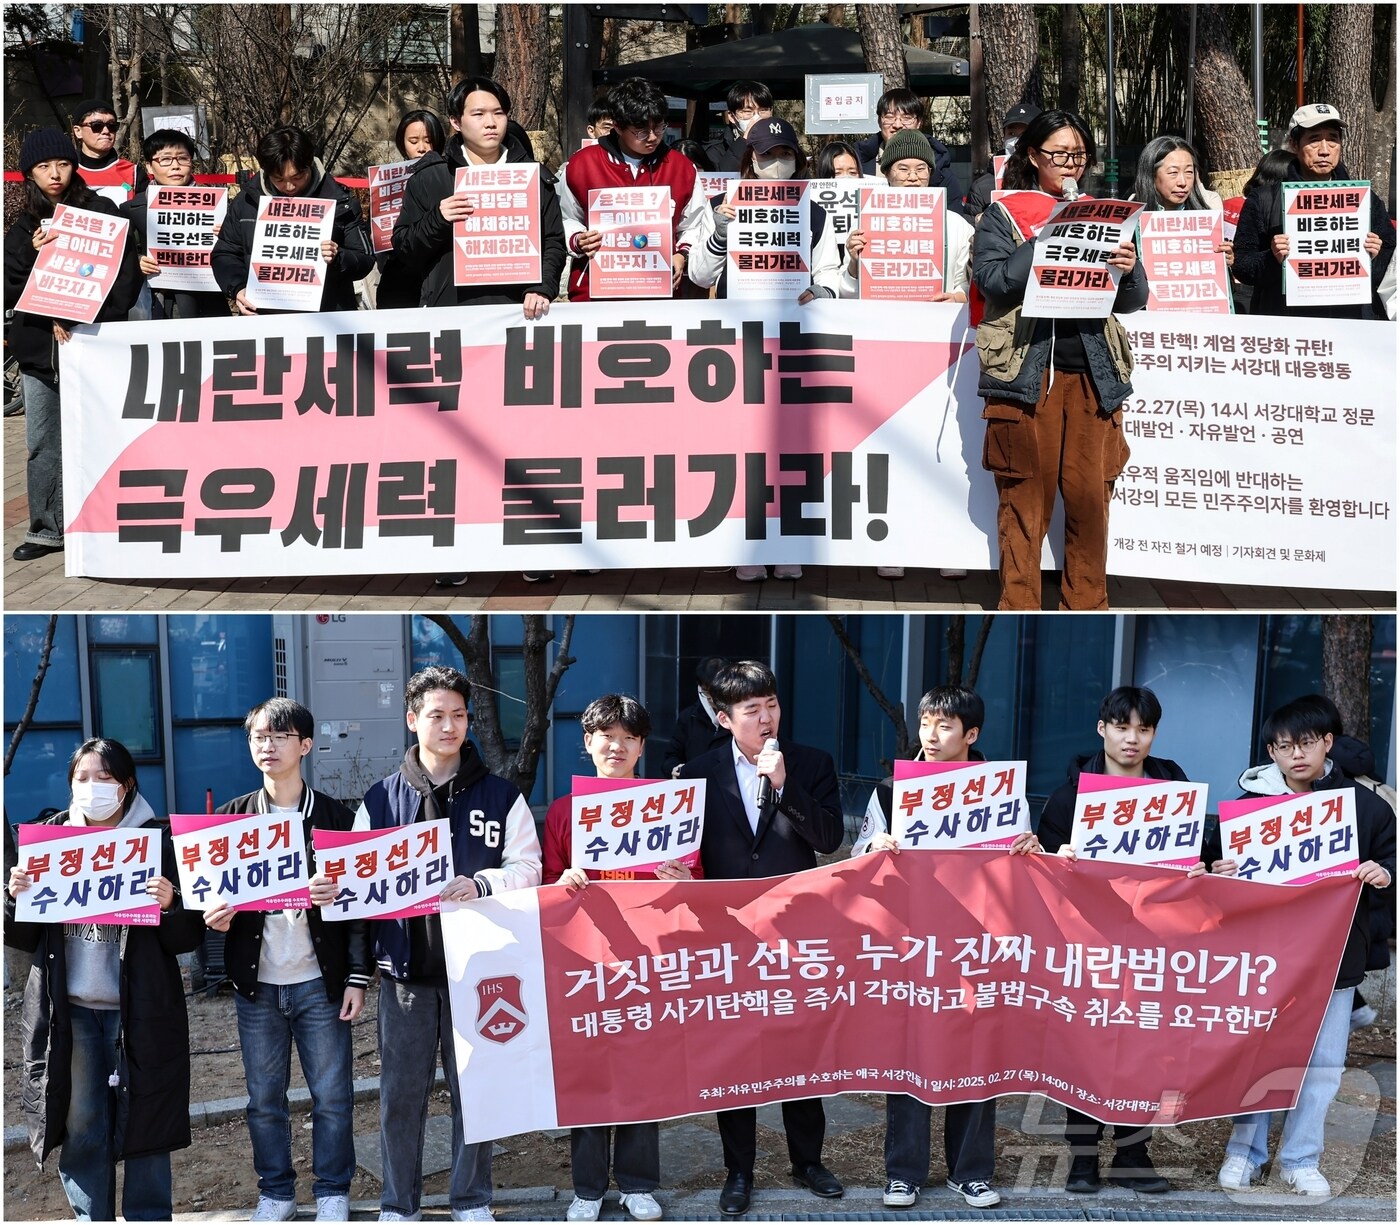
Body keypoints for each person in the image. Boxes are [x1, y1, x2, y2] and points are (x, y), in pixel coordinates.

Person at [310, 666, 541, 1223]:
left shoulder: (501, 795)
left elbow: (531, 868)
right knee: (401, 1096)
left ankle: (472, 1199)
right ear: (412, 720)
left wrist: (483, 882)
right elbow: (358, 896)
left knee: (477, 1092)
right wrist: (332, 894)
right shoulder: (380, 801)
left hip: (481, 972)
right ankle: (398, 1204)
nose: (449, 726)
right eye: (436, 715)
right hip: (405, 974)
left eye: (458, 715)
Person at [851, 686, 1039, 1211]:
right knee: (909, 1051)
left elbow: (1021, 863)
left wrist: (1029, 849)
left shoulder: (1001, 792)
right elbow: (861, 855)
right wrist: (875, 848)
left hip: (980, 942)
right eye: (926, 724)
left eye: (945, 727)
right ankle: (903, 1173)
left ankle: (971, 1171)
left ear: (972, 734)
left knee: (977, 1051)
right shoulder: (892, 790)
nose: (931, 737)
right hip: (912, 942)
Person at [5, 737, 205, 1221]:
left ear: (127, 785)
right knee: (83, 1123)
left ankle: (148, 1215)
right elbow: (23, 936)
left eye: (105, 778)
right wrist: (13, 897)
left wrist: (171, 905)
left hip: (141, 1010)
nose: (92, 788)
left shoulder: (159, 843)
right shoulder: (48, 840)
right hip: (70, 1013)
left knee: (148, 1121)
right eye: (82, 778)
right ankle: (90, 1215)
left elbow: (187, 937)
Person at [677, 661, 846, 1215]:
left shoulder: (810, 763)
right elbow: (687, 853)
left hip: (794, 930)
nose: (767, 717)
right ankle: (739, 1170)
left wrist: (783, 783)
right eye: (752, 711)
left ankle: (808, 1161)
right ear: (725, 719)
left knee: (800, 1049)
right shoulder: (694, 774)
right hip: (724, 931)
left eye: (771, 704)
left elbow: (826, 839)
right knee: (737, 1054)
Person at [1207, 696, 1395, 1197]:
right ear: (1271, 751)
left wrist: (1384, 872)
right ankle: (1244, 1153)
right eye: (1284, 746)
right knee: (1259, 1058)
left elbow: (1392, 862)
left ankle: (1301, 1158)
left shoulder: (1365, 807)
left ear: (1327, 743)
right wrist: (1220, 871)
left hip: (1334, 960)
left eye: (1306, 743)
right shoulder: (1249, 808)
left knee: (1323, 1066)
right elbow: (1217, 879)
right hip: (1264, 961)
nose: (1296, 755)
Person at [203, 698, 372, 1223]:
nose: (267, 745)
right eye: (258, 737)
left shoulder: (337, 817)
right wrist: (214, 917)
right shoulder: (231, 818)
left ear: (305, 745)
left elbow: (365, 905)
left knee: (333, 1096)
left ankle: (332, 1191)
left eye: (280, 736)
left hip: (319, 982)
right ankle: (275, 1191)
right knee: (263, 1100)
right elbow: (200, 901)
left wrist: (357, 977)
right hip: (257, 986)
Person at [972, 108, 1148, 611]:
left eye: (1078, 154)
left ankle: (1088, 605)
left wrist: (1130, 269)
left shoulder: (1107, 211)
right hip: (1027, 373)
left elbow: (1133, 299)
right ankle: (1019, 606)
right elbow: (994, 281)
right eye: (1058, 154)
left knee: (1091, 500)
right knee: (1025, 502)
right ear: (1032, 155)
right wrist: (1045, 236)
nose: (1070, 164)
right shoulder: (1003, 213)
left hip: (1094, 373)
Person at [543, 694, 697, 1223]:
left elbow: (695, 888)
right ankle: (587, 1186)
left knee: (641, 1072)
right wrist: (562, 881)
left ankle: (637, 1183)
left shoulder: (669, 807)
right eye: (606, 736)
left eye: (629, 738)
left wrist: (684, 878)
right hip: (585, 960)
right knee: (587, 1071)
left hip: (648, 957)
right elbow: (545, 885)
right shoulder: (564, 813)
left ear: (641, 747)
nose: (617, 746)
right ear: (587, 743)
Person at [1036, 686, 1184, 1194]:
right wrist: (1062, 859)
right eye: (1122, 727)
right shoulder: (1069, 795)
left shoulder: (1172, 783)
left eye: (1143, 729)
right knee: (1088, 1044)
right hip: (1088, 940)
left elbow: (1194, 856)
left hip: (1154, 938)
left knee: (1145, 1045)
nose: (1132, 738)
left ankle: (1133, 1155)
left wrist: (1213, 863)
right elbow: (1040, 875)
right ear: (1102, 729)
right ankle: (1082, 1157)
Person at [687, 116, 841, 583]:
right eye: (768, 155)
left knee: (791, 449)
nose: (778, 164)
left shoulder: (813, 210)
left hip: (794, 343)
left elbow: (831, 271)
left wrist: (823, 292)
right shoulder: (722, 205)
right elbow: (697, 273)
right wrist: (718, 231)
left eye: (786, 155)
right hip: (737, 345)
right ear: (750, 160)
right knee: (743, 448)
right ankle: (747, 545)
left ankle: (787, 542)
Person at [841, 129, 976, 583]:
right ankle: (893, 541)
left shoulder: (957, 225)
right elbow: (845, 291)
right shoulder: (865, 225)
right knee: (892, 449)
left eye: (921, 168)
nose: (914, 177)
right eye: (903, 168)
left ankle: (945, 540)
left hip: (942, 348)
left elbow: (971, 281)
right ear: (886, 174)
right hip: (885, 347)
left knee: (942, 447)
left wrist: (959, 296)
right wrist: (853, 259)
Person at [4, 128, 141, 562]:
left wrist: (89, 316)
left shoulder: (103, 212)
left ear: (74, 164)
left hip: (95, 344)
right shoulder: (23, 227)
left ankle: (113, 521)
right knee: (42, 441)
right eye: (43, 167)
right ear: (29, 175)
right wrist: (33, 253)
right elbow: (10, 288)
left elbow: (125, 276)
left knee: (106, 433)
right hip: (40, 351)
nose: (55, 174)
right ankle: (47, 528)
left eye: (62, 163)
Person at [391, 77, 565, 316]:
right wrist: (438, 219)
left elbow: (553, 241)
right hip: (449, 312)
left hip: (518, 313)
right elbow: (405, 250)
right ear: (456, 121)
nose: (491, 123)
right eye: (478, 114)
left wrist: (542, 288)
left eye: (499, 113)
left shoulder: (535, 177)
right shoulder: (430, 179)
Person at [1233, 102, 1394, 318]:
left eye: (1333, 139)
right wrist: (1273, 259)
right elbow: (1242, 264)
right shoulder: (1264, 199)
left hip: (1353, 325)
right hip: (1289, 327)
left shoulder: (1365, 200)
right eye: (1314, 140)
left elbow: (1391, 261)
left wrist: (1376, 257)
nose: (1325, 150)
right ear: (1294, 144)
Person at [558, 76, 708, 304]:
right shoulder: (581, 165)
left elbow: (694, 224)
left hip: (660, 293)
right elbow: (565, 218)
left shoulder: (682, 168)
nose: (652, 137)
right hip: (594, 293)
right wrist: (578, 239)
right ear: (617, 127)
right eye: (640, 131)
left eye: (658, 126)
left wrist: (682, 254)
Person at [210, 125, 375, 316]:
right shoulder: (247, 201)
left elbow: (364, 259)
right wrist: (238, 288)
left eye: (297, 177)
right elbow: (225, 253)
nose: (289, 186)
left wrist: (339, 257)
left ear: (310, 165)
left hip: (329, 316)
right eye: (278, 179)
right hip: (264, 316)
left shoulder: (340, 201)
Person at [122, 128, 229, 321]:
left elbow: (237, 255)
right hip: (155, 302)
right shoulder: (130, 209)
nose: (175, 166)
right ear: (149, 167)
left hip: (207, 302)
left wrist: (228, 237)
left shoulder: (217, 207)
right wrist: (137, 261)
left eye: (183, 158)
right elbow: (118, 255)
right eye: (165, 159)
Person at [1129, 136, 1234, 284]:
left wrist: (1224, 263)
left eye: (1189, 172)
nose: (1183, 182)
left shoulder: (1207, 221)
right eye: (1173, 173)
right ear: (1151, 175)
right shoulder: (1130, 221)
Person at [374, 109, 449, 310]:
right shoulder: (387, 181)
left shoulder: (449, 175)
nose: (422, 148)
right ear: (402, 143)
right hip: (397, 280)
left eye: (428, 140)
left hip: (436, 276)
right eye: (414, 141)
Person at [853, 88, 966, 216]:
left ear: (918, 123)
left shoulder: (940, 168)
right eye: (889, 117)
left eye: (906, 118)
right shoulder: (857, 162)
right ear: (879, 121)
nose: (897, 124)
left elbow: (953, 220)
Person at [965, 102, 1042, 219]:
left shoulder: (1050, 179)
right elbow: (968, 230)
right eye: (1011, 133)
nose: (1016, 142)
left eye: (1025, 134)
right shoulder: (982, 187)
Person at [660, 656, 732, 778]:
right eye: (707, 693)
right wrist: (675, 769)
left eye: (716, 692)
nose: (712, 699)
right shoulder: (689, 717)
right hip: (696, 790)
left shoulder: (740, 717)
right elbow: (670, 758)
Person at [69, 99, 140, 204]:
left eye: (112, 126)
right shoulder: (66, 172)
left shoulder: (133, 172)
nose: (106, 131)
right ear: (78, 131)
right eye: (97, 126)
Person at [702, 81, 775, 173]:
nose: (757, 118)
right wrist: (744, 142)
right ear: (732, 116)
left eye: (763, 110)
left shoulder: (783, 144)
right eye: (747, 111)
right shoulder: (715, 152)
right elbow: (723, 179)